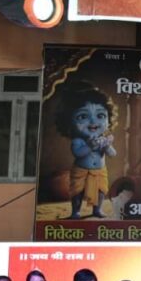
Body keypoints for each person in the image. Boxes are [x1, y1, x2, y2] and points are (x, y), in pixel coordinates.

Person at [55, 85, 117, 219]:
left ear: (109, 120)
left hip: (99, 171)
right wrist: (89, 146)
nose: (93, 122)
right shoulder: (78, 141)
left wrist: (107, 146)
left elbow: (113, 154)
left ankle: (97, 209)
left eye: (100, 115)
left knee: (101, 190)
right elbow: (78, 154)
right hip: (81, 171)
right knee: (77, 191)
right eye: (83, 116)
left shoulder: (102, 139)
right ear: (69, 122)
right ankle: (76, 211)